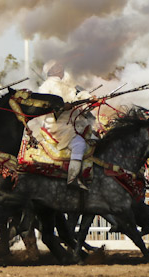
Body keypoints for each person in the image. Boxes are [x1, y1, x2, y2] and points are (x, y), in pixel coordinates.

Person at [26, 61, 97, 190]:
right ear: (51, 70)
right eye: (57, 66)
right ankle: (73, 178)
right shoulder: (45, 87)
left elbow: (77, 97)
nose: (61, 67)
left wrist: (90, 99)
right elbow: (44, 106)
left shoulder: (66, 84)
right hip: (57, 127)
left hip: (72, 124)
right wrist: (61, 107)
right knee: (79, 144)